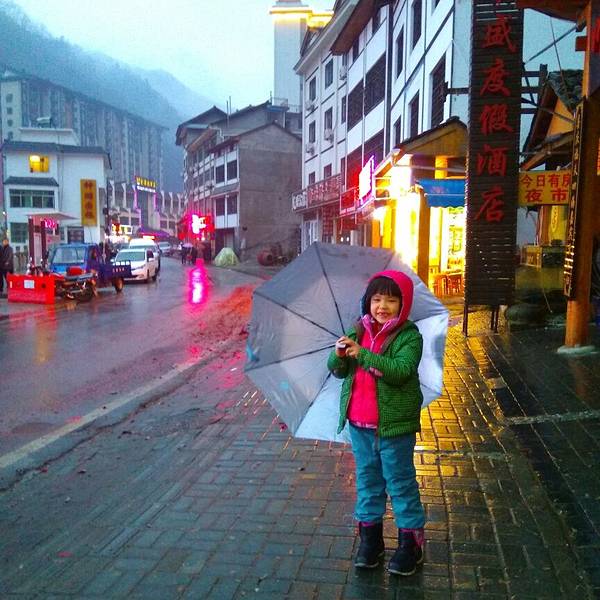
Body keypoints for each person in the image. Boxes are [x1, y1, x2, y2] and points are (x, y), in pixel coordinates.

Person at [327, 270, 425, 576]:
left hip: (394, 429)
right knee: (368, 483)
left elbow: (400, 371)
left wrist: (364, 355)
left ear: (403, 305)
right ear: (367, 302)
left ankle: (411, 545)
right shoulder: (357, 330)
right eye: (377, 299)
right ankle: (371, 542)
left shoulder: (409, 336)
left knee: (400, 483)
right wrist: (339, 355)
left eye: (391, 300)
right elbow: (339, 372)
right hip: (360, 426)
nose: (382, 306)